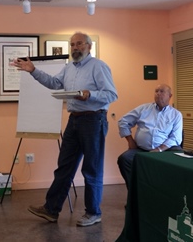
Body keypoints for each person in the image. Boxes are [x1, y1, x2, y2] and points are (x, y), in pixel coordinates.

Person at [13, 32, 117, 227]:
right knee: (64, 167)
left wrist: (90, 94)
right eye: (72, 45)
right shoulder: (69, 67)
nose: (75, 48)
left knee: (91, 169)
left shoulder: (98, 66)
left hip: (94, 120)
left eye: (79, 44)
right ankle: (51, 209)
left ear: (89, 46)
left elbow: (111, 95)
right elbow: (54, 83)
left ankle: (94, 213)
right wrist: (33, 70)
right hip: (74, 120)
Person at [117, 84, 183, 189]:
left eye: (162, 91)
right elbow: (123, 121)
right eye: (156, 91)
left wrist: (159, 149)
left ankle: (172, 191)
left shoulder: (176, 115)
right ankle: (134, 193)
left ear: (170, 96)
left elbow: (176, 138)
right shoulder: (144, 109)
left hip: (165, 149)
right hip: (141, 149)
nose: (158, 94)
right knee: (124, 159)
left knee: (180, 157)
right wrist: (130, 140)